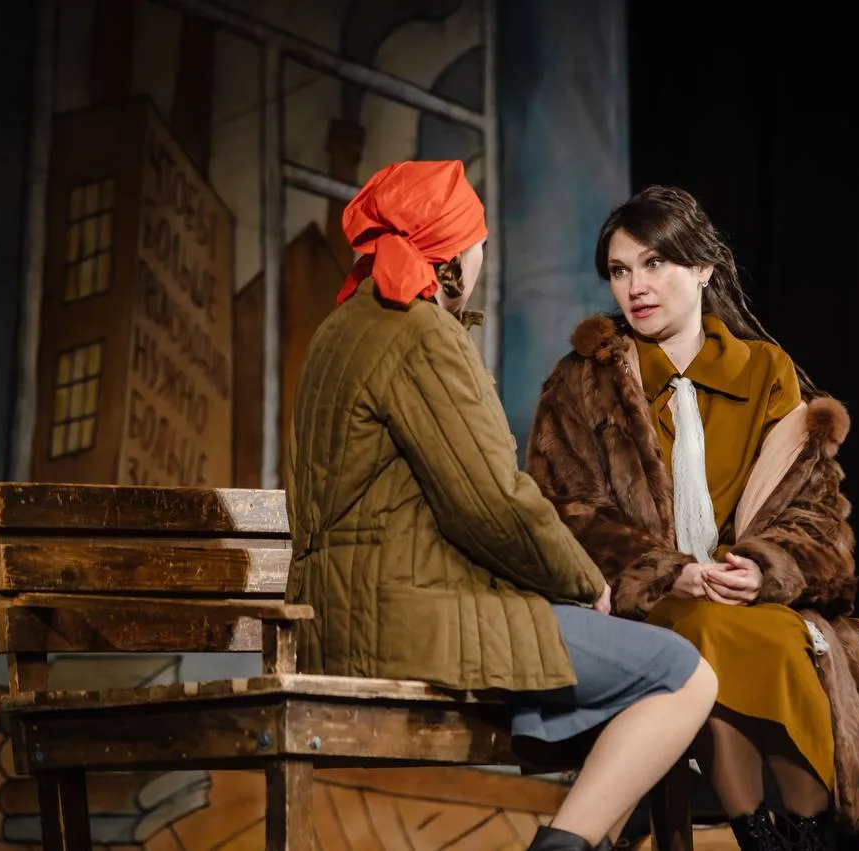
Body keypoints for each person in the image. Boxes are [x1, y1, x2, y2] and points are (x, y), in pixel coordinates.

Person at [284, 162, 718, 851]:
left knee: (627, 685)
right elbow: (490, 504)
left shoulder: (340, 330)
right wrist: (584, 582)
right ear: (455, 252)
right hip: (407, 619)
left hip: (343, 616)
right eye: (479, 240)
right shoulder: (417, 332)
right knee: (681, 674)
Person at [525, 185, 859, 851]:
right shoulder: (585, 380)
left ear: (703, 267)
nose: (635, 287)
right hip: (646, 605)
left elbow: (814, 515)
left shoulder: (765, 371)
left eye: (654, 263)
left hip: (751, 598)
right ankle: (756, 831)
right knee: (700, 638)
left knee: (774, 640)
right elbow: (565, 511)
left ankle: (803, 830)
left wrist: (761, 568)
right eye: (619, 271)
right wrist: (665, 571)